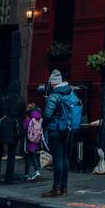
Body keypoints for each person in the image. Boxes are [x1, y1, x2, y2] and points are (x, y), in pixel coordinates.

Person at [42, 70, 79, 198]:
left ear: (52, 83)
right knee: (65, 158)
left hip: (56, 130)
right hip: (69, 130)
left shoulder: (54, 96)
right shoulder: (71, 93)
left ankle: (56, 188)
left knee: (57, 159)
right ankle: (64, 187)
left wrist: (43, 127)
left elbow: (47, 115)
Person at [0, 81, 26, 186]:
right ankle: (8, 178)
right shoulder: (21, 101)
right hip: (14, 128)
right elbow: (23, 115)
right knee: (12, 154)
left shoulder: (3, 99)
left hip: (3, 127)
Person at [23, 102, 44, 184]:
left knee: (28, 158)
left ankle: (29, 173)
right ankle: (36, 171)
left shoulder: (27, 120)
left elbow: (24, 129)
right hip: (36, 141)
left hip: (28, 141)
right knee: (34, 156)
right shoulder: (39, 118)